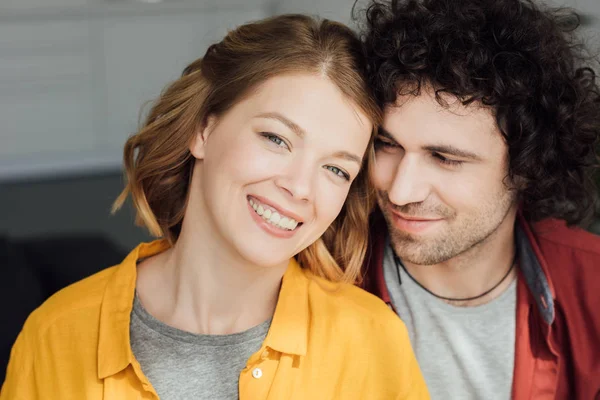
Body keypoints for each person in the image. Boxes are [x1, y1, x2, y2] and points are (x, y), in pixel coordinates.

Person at [1, 14, 429, 400]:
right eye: (276, 139)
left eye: (336, 169)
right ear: (204, 130)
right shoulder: (55, 335)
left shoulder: (372, 340)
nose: (300, 187)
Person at [358, 0, 600, 399]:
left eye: (445, 158)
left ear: (526, 165)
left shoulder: (590, 284)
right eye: (388, 145)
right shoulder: (323, 274)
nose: (401, 190)